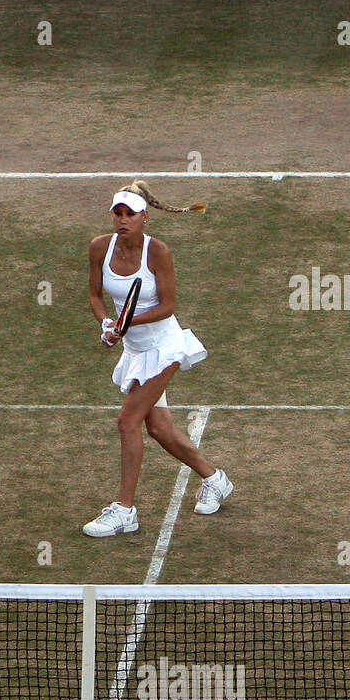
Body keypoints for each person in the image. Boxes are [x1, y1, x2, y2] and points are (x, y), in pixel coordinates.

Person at [82, 181, 232, 537]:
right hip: (133, 348)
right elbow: (93, 293)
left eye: (129, 214)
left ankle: (125, 511)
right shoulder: (99, 248)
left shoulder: (158, 252)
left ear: (144, 217)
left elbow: (167, 307)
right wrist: (106, 322)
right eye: (117, 214)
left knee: (127, 421)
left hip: (164, 347)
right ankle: (216, 479)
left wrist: (127, 321)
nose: (122, 220)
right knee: (159, 428)